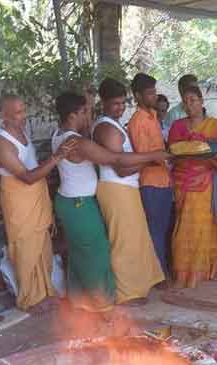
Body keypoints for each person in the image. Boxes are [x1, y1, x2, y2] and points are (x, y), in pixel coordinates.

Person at [52, 91, 167, 315]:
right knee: (95, 252)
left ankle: (79, 300)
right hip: (79, 204)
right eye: (86, 111)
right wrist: (154, 155)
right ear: (76, 114)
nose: (90, 115)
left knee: (79, 252)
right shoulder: (76, 142)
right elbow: (116, 159)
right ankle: (103, 304)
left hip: (73, 201)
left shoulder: (61, 134)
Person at [0, 93, 70, 314]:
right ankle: (29, 298)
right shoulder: (1, 143)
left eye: (23, 110)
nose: (22, 116)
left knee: (43, 248)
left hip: (36, 198)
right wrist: (56, 158)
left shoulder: (22, 132)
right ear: (2, 115)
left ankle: (45, 293)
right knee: (26, 250)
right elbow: (26, 177)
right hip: (19, 201)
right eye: (17, 112)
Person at [93, 79, 165, 306]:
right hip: (117, 188)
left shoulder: (114, 124)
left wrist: (151, 159)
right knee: (124, 241)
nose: (121, 108)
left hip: (126, 189)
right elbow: (121, 168)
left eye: (123, 103)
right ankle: (126, 293)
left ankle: (142, 283)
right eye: (115, 104)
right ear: (102, 103)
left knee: (137, 238)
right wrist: (152, 158)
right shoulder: (105, 128)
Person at [167, 86, 217, 288]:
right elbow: (173, 153)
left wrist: (207, 147)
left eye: (193, 99)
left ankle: (204, 269)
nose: (189, 104)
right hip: (183, 182)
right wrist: (190, 147)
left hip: (207, 180)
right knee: (183, 225)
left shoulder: (216, 127)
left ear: (202, 101)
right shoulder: (177, 126)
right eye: (185, 101)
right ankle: (184, 272)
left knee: (205, 226)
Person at [128, 73, 174, 277]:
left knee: (162, 229)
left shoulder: (153, 116)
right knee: (155, 231)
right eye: (149, 93)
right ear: (137, 96)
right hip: (150, 183)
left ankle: (161, 270)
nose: (153, 96)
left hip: (164, 180)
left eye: (154, 91)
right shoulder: (137, 121)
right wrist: (170, 155)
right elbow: (142, 156)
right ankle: (158, 275)